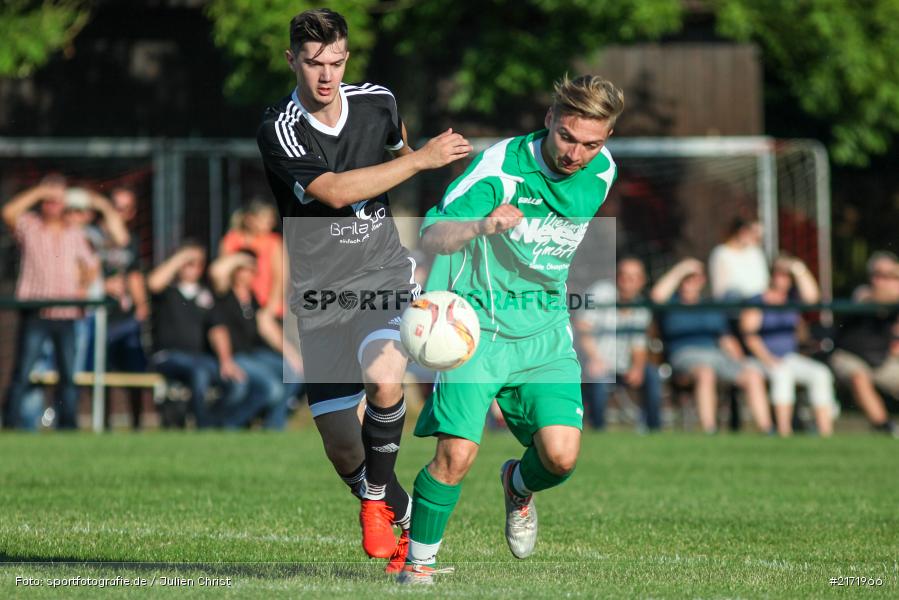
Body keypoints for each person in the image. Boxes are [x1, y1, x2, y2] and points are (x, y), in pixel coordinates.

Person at [255, 8, 471, 571]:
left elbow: (396, 153)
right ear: (291, 60)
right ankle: (397, 511)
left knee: (383, 373)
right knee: (342, 447)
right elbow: (331, 191)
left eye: (335, 61)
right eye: (312, 63)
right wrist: (422, 159)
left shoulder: (379, 101)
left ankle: (375, 505)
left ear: (346, 58)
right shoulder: (281, 127)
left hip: (382, 274)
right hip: (321, 293)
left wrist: (415, 161)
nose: (325, 75)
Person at [397, 74, 623, 584]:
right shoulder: (500, 170)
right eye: (567, 137)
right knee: (456, 454)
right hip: (475, 331)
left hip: (544, 331)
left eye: (592, 143)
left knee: (561, 458)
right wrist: (481, 225)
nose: (576, 154)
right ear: (548, 119)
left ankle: (518, 484)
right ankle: (418, 567)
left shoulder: (603, 170)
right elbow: (433, 234)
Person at [1, 176, 99, 430]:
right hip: (36, 311)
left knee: (67, 375)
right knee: (23, 371)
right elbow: (9, 212)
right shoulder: (30, 226)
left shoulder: (73, 232)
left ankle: (67, 426)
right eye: (49, 201)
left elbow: (91, 265)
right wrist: (40, 191)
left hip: (65, 312)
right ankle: (11, 424)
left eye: (58, 201)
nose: (54, 206)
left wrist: (82, 287)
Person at [650, 258, 771, 434]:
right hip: (685, 355)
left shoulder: (710, 306)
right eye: (687, 279)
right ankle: (709, 429)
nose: (690, 283)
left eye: (695, 278)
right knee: (706, 373)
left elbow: (726, 338)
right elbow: (656, 296)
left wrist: (739, 360)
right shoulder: (671, 304)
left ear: (702, 281)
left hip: (716, 355)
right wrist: (681, 269)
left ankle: (767, 429)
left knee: (753, 375)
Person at [740, 256, 836, 436]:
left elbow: (813, 297)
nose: (784, 279)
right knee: (782, 373)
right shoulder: (758, 300)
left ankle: (826, 432)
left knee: (821, 374)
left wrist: (797, 268)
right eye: (780, 274)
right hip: (762, 358)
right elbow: (750, 336)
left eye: (787, 276)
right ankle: (784, 431)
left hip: (789, 357)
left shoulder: (792, 299)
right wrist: (769, 359)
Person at [208, 251, 303, 430]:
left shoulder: (252, 298)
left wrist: (292, 357)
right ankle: (230, 424)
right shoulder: (223, 294)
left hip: (254, 355)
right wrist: (241, 257)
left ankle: (273, 426)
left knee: (293, 373)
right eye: (243, 268)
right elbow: (216, 271)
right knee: (273, 389)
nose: (248, 273)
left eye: (252, 269)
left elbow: (267, 328)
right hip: (236, 356)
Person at [574, 257, 662, 431]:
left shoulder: (641, 308)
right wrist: (595, 359)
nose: (627, 282)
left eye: (634, 277)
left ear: (642, 281)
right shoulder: (600, 292)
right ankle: (599, 429)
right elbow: (582, 327)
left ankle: (654, 430)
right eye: (623, 276)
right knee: (597, 376)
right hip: (591, 361)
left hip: (621, 365)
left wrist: (637, 367)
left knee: (651, 374)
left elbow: (639, 345)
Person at [146, 242, 219, 429]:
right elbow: (153, 282)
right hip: (168, 356)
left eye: (197, 263)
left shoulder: (206, 294)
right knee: (200, 372)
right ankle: (203, 425)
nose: (193, 267)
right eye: (188, 262)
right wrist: (181, 257)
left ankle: (225, 423)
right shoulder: (168, 291)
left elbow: (217, 329)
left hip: (200, 358)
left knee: (236, 380)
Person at [829, 251, 899, 436]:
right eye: (880, 275)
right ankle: (884, 427)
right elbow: (877, 298)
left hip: (881, 358)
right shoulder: (862, 291)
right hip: (848, 355)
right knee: (859, 376)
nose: (883, 280)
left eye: (891, 275)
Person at [219, 199, 285, 317]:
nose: (270, 223)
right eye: (265, 218)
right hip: (240, 304)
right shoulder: (232, 239)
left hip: (266, 305)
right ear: (250, 219)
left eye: (271, 219)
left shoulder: (273, 242)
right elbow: (222, 272)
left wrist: (270, 309)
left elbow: (279, 278)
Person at [708, 217, 769, 300]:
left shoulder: (756, 253)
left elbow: (764, 284)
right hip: (733, 303)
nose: (757, 238)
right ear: (743, 231)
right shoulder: (721, 253)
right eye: (754, 233)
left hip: (759, 302)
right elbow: (719, 290)